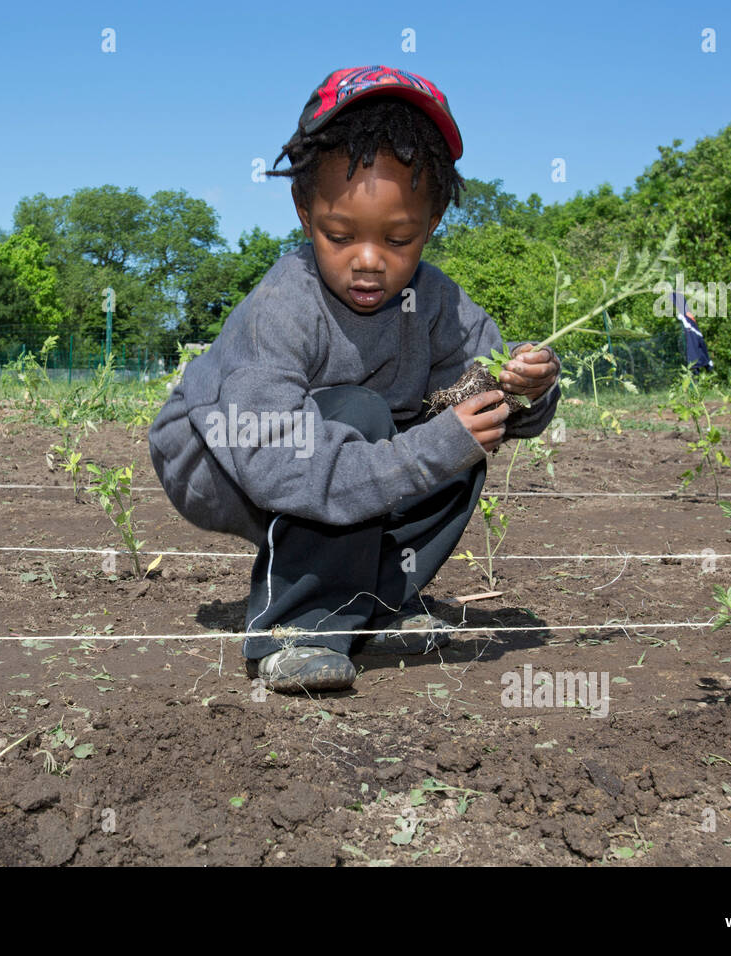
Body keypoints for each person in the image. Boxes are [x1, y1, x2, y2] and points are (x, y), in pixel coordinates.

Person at [148, 66, 561, 694]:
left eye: (399, 239)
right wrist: (429, 448)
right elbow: (280, 459)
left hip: (332, 443)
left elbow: (486, 382)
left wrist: (524, 389)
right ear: (304, 210)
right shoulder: (286, 303)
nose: (369, 261)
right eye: (339, 235)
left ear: (433, 221)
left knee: (463, 434)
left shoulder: (437, 302)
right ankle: (299, 630)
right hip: (219, 455)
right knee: (368, 421)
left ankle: (371, 604)